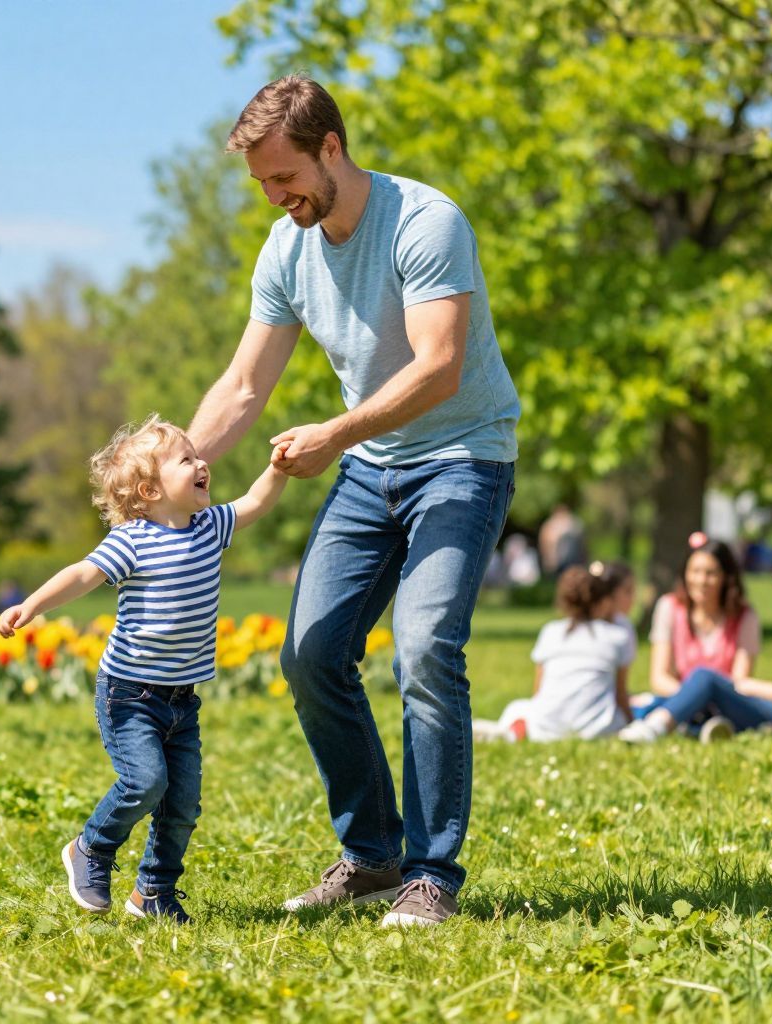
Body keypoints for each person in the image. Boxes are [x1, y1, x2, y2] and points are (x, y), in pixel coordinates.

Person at [188, 75, 519, 927]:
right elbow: (244, 386)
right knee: (310, 653)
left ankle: (431, 875)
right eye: (261, 181)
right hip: (371, 469)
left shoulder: (425, 222)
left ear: (330, 147)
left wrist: (334, 433)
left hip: (462, 457)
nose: (274, 195)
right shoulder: (286, 249)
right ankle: (373, 856)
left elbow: (439, 367)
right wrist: (174, 468)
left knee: (425, 648)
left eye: (284, 175)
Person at [0, 415, 288, 924]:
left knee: (182, 804)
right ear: (151, 491)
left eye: (198, 456)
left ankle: (153, 892)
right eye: (186, 460)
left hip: (181, 699)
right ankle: (90, 847)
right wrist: (33, 605)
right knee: (145, 781)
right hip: (129, 694)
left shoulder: (210, 526)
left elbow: (255, 502)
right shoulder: (132, 541)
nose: (202, 464)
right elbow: (82, 574)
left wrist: (278, 469)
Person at [620, 543, 772, 742]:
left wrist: (747, 687)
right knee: (676, 697)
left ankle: (656, 727)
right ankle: (678, 723)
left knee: (705, 678)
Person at [474, 563, 636, 742]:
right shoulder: (617, 636)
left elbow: (538, 691)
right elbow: (620, 695)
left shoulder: (550, 632)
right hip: (597, 730)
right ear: (602, 603)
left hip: (545, 730)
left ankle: (510, 732)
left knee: (517, 707)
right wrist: (631, 721)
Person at [640, 537, 761, 718]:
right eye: (695, 571)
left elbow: (739, 681)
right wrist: (691, 700)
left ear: (726, 577)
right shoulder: (669, 607)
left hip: (724, 706)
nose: (701, 580)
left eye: (711, 573)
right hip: (679, 701)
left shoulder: (745, 617)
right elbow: (659, 677)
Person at [537, 504, 587, 577]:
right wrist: (548, 559)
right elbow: (545, 543)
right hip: (558, 561)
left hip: (573, 559)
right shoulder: (550, 526)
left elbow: (582, 542)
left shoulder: (574, 523)